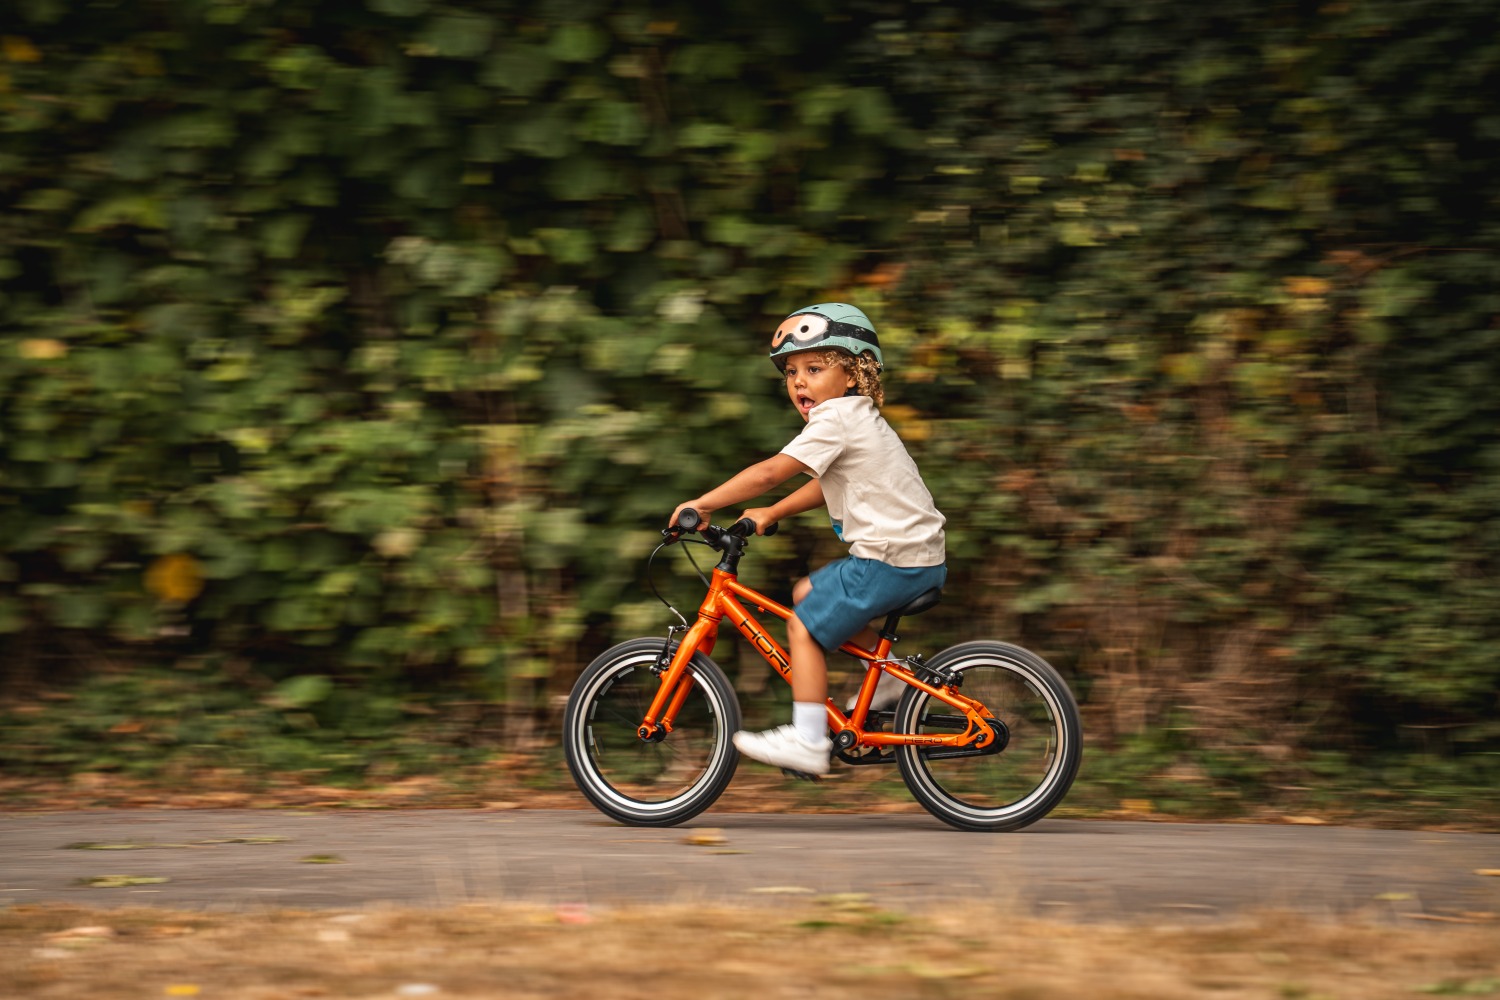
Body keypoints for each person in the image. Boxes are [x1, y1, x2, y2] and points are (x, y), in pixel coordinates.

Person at [668, 303, 947, 776]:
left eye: (815, 368)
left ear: (854, 374)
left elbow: (769, 472)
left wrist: (705, 505)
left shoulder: (835, 419)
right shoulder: (856, 418)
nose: (799, 381)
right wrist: (774, 512)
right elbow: (826, 483)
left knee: (802, 626)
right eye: (791, 372)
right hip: (912, 556)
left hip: (889, 559)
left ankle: (808, 739)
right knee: (807, 593)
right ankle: (889, 683)